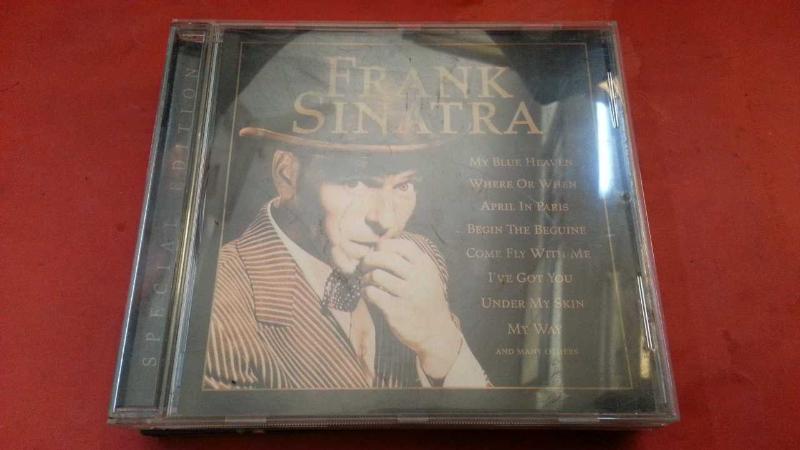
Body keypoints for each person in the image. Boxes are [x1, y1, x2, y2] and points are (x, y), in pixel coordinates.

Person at [202, 128, 489, 390]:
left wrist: (441, 344)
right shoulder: (218, 307)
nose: (386, 220)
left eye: (403, 186)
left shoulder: (420, 258)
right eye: (354, 182)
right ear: (287, 174)